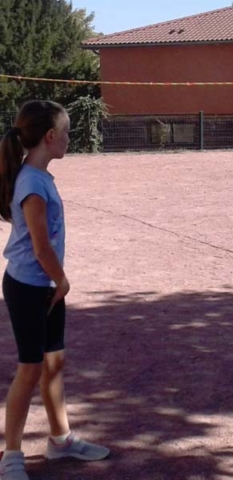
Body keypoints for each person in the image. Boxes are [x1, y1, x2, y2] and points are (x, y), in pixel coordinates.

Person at [0, 101, 109, 480]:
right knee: (30, 369)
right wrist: (61, 280)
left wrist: (55, 282)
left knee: (53, 364)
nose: (69, 139)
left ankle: (60, 440)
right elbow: (40, 245)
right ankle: (11, 455)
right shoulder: (32, 182)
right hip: (31, 286)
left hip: (43, 285)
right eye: (65, 132)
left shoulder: (40, 177)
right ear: (50, 137)